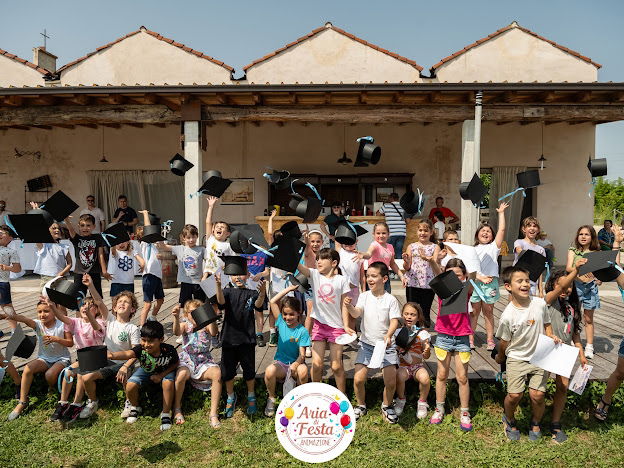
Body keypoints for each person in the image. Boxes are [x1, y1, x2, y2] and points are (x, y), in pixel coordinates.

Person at [495, 263, 582, 441]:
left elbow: (547, 322)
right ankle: (509, 419)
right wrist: (501, 356)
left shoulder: (540, 304)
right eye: (520, 281)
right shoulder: (507, 315)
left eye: (527, 280)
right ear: (508, 287)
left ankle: (535, 423)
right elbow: (504, 341)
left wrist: (550, 335)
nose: (525, 284)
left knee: (538, 395)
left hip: (539, 356)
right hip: (517, 358)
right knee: (514, 395)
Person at [345, 262, 401, 423]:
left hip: (386, 346)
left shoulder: (390, 299)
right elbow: (356, 313)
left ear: (384, 279)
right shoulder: (364, 296)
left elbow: (394, 321)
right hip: (367, 344)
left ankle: (387, 405)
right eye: (368, 275)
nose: (369, 279)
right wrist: (349, 307)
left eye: (374, 276)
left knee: (390, 382)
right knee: (358, 379)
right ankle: (361, 405)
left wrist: (389, 335)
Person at [47, 275, 106, 422]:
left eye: (90, 306)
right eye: (83, 305)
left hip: (96, 358)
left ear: (96, 311)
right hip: (83, 358)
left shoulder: (99, 321)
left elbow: (96, 327)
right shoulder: (76, 321)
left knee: (80, 373)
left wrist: (89, 315)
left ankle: (77, 403)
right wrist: (52, 307)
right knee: (68, 372)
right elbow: (63, 318)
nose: (85, 308)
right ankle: (63, 403)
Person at [2, 300, 73, 420]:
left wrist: (56, 339)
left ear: (54, 311)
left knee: (49, 375)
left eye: (46, 311)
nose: (42, 314)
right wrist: (6, 316)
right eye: (39, 312)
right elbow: (24, 319)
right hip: (44, 358)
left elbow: (70, 343)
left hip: (61, 359)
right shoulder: (38, 325)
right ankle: (23, 401)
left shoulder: (62, 324)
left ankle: (52, 388)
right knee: (28, 368)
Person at [297, 248, 351, 393]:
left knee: (336, 366)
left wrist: (346, 325)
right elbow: (300, 267)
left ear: (334, 263)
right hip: (319, 326)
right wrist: (292, 253)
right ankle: (317, 394)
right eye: (317, 259)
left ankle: (342, 396)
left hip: (337, 327)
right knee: (317, 364)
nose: (318, 261)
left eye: (322, 259)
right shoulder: (314, 275)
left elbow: (344, 305)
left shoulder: (342, 280)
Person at [543, 268, 588, 443]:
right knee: (539, 386)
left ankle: (555, 422)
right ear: (552, 285)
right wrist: (575, 271)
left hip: (564, 352)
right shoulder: (548, 301)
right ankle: (536, 419)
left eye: (569, 286)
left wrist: (581, 354)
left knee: (562, 386)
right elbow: (559, 289)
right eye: (561, 285)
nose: (565, 289)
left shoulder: (572, 307)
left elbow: (575, 334)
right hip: (547, 349)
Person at [80, 290, 140, 420]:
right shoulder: (110, 320)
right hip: (106, 363)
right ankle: (92, 402)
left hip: (124, 363)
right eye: (120, 301)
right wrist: (90, 285)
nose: (122, 303)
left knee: (126, 375)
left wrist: (125, 366)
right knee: (86, 378)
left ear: (132, 309)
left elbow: (136, 353)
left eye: (126, 302)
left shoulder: (133, 328)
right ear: (114, 308)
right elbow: (99, 302)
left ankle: (129, 403)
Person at [215, 263, 266, 417]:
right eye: (234, 274)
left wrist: (262, 294)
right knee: (228, 371)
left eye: (241, 273)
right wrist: (218, 286)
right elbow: (221, 303)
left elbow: (258, 306)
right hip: (229, 339)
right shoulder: (227, 292)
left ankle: (251, 396)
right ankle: (230, 396)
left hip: (247, 339)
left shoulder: (252, 293)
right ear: (230, 277)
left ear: (248, 275)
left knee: (249, 371)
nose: (238, 277)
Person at [429, 258, 474, 431]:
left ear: (464, 276)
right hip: (443, 337)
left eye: (458, 275)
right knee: (441, 375)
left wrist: (473, 276)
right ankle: (439, 408)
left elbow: (472, 281)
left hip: (462, 338)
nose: (454, 279)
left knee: (462, 377)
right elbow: (437, 273)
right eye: (450, 275)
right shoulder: (443, 290)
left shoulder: (466, 289)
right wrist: (432, 261)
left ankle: (464, 412)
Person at [108, 321, 179, 431]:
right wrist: (111, 355)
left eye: (150, 341)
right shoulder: (140, 349)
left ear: (161, 339)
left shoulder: (169, 350)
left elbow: (175, 363)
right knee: (130, 384)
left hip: (165, 370)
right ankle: (135, 407)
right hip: (146, 369)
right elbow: (128, 354)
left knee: (168, 383)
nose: (146, 344)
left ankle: (166, 413)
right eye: (143, 340)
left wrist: (161, 376)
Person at [171, 301, 221, 428]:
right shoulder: (185, 325)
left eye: (197, 312)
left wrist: (212, 318)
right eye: (191, 313)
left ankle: (213, 413)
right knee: (181, 375)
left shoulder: (206, 325)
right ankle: (177, 408)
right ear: (186, 315)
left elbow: (214, 332)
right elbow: (176, 332)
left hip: (204, 360)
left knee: (217, 373)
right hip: (188, 359)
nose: (194, 315)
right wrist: (176, 317)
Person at [264, 284, 311, 417]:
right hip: (282, 365)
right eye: (285, 314)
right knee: (269, 370)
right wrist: (289, 290)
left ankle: (300, 399)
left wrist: (296, 364)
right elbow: (273, 301)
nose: (287, 317)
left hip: (296, 365)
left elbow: (302, 355)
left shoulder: (302, 331)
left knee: (303, 371)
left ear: (298, 314)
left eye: (291, 314)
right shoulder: (281, 322)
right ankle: (271, 398)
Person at [470, 202, 508, 350]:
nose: (485, 232)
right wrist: (479, 277)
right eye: (483, 230)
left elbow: (502, 229)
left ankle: (490, 339)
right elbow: (468, 270)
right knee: (474, 312)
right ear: (477, 234)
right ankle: (470, 338)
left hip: (490, 283)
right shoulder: (472, 249)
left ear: (492, 236)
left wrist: (501, 213)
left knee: (489, 311)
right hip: (475, 283)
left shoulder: (494, 247)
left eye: (488, 231)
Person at [566, 225, 601, 359]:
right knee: (573, 316)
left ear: (592, 237)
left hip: (590, 287)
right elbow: (568, 268)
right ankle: (574, 342)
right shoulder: (573, 251)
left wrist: (599, 279)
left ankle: (589, 346)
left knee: (588, 318)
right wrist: (578, 267)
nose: (583, 237)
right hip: (575, 286)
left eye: (587, 234)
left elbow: (599, 272)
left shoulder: (596, 252)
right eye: (581, 234)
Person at [394, 302, 431, 420]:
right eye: (406, 314)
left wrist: (427, 351)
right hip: (403, 366)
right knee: (399, 376)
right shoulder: (397, 332)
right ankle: (401, 399)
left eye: (413, 314)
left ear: (418, 317)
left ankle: (422, 402)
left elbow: (426, 356)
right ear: (402, 315)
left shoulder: (423, 334)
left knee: (425, 379)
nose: (409, 317)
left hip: (417, 367)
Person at [402, 219, 440, 328]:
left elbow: (435, 265)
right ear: (417, 231)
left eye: (426, 231)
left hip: (428, 284)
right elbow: (407, 267)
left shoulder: (435, 247)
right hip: (412, 283)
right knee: (411, 309)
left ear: (431, 232)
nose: (423, 233)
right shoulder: (411, 246)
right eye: (420, 230)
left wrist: (428, 258)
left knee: (425, 310)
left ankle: (424, 334)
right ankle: (411, 332)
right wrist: (406, 261)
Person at [159, 224, 208, 306]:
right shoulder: (180, 248)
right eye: (188, 237)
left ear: (197, 236)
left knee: (200, 304)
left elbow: (209, 262)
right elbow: (163, 247)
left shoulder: (202, 249)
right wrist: (158, 236)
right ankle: (186, 314)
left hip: (198, 282)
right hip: (185, 282)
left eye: (193, 237)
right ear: (184, 238)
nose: (191, 240)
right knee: (184, 304)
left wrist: (205, 276)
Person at [65, 213, 110, 297]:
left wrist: (104, 271)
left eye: (88, 225)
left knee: (97, 297)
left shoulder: (98, 238)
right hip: (79, 273)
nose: (85, 228)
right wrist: (67, 220)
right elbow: (71, 230)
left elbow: (100, 255)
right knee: (78, 297)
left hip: (94, 272)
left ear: (94, 226)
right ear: (78, 226)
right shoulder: (77, 238)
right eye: (82, 225)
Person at [355, 222, 406, 294]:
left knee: (386, 298)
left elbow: (392, 264)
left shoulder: (390, 247)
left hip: (385, 278)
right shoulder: (374, 245)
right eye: (378, 233)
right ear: (373, 234)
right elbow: (369, 254)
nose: (381, 235)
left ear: (388, 234)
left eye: (384, 233)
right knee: (373, 299)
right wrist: (363, 255)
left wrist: (401, 276)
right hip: (373, 278)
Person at [137, 211, 165, 325]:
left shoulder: (154, 245)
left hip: (157, 276)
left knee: (160, 300)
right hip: (148, 276)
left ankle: (152, 317)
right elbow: (148, 227)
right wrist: (145, 214)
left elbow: (159, 255)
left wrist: (160, 256)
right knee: (147, 304)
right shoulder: (144, 243)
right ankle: (142, 326)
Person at [513, 216, 546, 296]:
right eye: (529, 226)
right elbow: (519, 250)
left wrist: (541, 290)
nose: (532, 228)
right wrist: (535, 257)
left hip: (531, 283)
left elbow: (539, 271)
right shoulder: (519, 242)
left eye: (534, 226)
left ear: (538, 230)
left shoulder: (541, 249)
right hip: (517, 280)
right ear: (524, 229)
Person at [0, 224, 22, 332]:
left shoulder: (11, 251)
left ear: (10, 238)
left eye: (2, 233)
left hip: (2, 282)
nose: (0, 234)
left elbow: (18, 269)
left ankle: (15, 331)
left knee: (7, 306)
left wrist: (7, 267)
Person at [377, 193, 407, 258]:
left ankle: (389, 264)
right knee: (399, 251)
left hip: (391, 232)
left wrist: (386, 214)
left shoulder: (386, 206)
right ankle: (399, 264)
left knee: (389, 251)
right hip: (401, 232)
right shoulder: (404, 206)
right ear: (398, 199)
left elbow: (378, 214)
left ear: (391, 198)